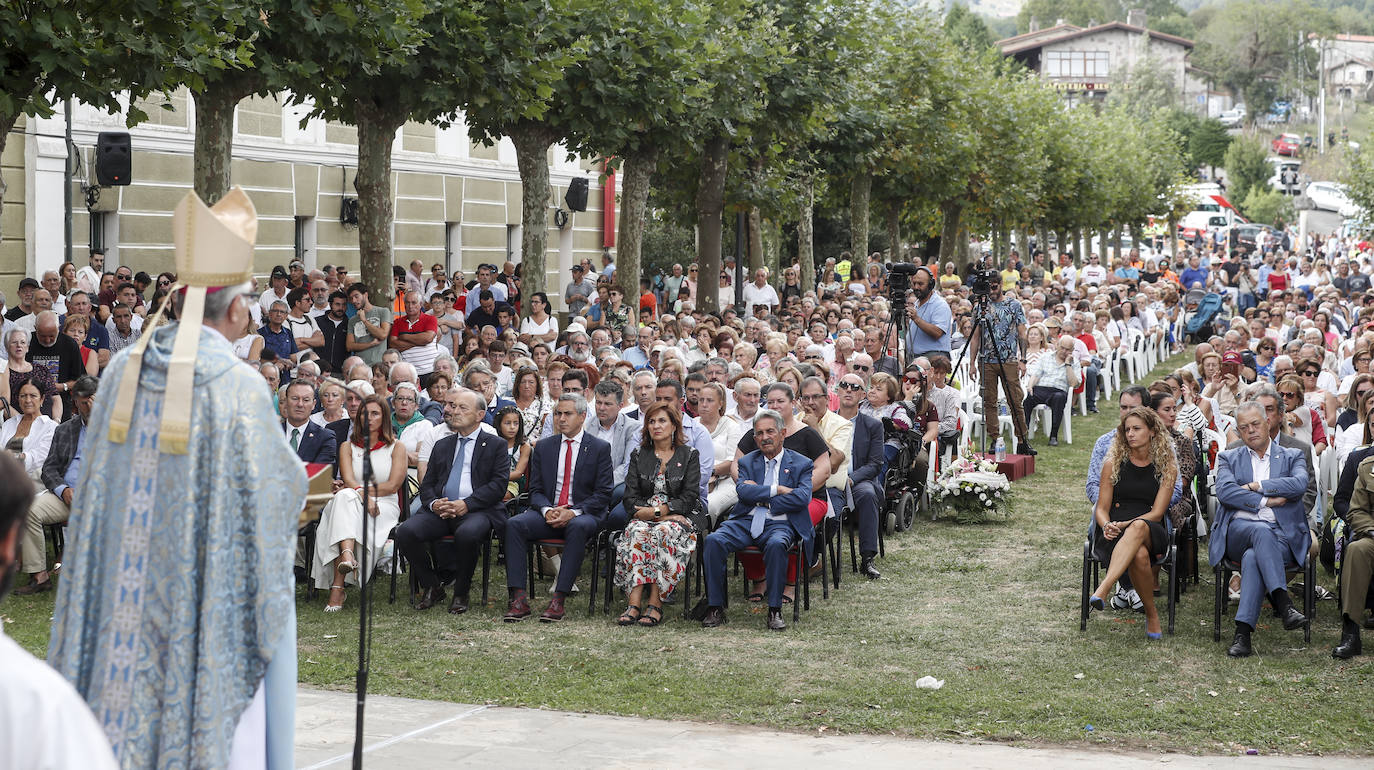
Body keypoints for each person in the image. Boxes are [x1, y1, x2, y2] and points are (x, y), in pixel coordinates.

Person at [49, 189, 304, 768]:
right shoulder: (238, 389)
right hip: (198, 602)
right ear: (236, 311)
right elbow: (276, 495)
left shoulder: (117, 378)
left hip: (120, 598)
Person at [0, 448, 119, 766]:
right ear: (11, 544)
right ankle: (41, 575)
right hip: (63, 494)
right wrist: (64, 489)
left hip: (105, 496)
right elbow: (51, 468)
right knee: (36, 510)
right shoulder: (41, 703)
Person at [395, 388, 510, 613]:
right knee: (405, 532)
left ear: (479, 415)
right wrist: (434, 504)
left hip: (477, 510)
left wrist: (466, 504)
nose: (454, 412)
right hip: (441, 509)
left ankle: (461, 592)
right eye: (453, 406)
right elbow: (427, 484)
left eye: (462, 408)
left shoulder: (495, 444)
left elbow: (498, 486)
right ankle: (432, 585)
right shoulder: (443, 444)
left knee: (467, 534)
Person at [502, 393, 614, 622]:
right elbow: (535, 490)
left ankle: (559, 599)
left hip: (583, 513)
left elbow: (603, 494)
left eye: (567, 414)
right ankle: (518, 598)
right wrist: (546, 510)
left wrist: (572, 512)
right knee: (514, 524)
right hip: (548, 512)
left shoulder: (599, 448)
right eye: (557, 414)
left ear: (582, 416)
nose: (561, 419)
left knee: (577, 527)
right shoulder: (544, 447)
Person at [1212, 401, 1311, 658]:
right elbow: (1224, 491)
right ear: (1239, 431)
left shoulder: (1292, 455)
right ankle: (1283, 601)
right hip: (1238, 531)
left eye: (1256, 424)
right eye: (1244, 427)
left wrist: (1256, 486)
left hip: (1281, 535)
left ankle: (1242, 634)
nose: (1251, 431)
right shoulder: (1228, 456)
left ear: (1268, 423)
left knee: (1254, 556)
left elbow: (1299, 484)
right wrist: (1265, 501)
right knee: (1259, 532)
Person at [701, 409, 815, 631]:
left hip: (781, 523)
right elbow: (743, 492)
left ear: (782, 433)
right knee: (714, 540)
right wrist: (778, 489)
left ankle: (774, 610)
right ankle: (715, 607)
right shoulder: (747, 462)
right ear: (754, 438)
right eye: (759, 433)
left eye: (770, 431)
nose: (765, 437)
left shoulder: (801, 463)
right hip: (745, 521)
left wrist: (765, 499)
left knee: (776, 544)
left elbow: (802, 498)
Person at [1086, 407, 1176, 639]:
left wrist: (1125, 524)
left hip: (1151, 527)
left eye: (1137, 429)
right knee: (1139, 556)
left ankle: (1105, 587)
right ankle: (1152, 615)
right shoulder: (1113, 463)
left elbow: (1157, 513)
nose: (1130, 434)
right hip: (1113, 530)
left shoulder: (1166, 466)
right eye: (1127, 430)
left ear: (1153, 431)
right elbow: (1102, 508)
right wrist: (1106, 525)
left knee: (1138, 527)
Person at [312, 394, 406, 610]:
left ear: (384, 417)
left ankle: (339, 584)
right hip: (353, 500)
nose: (369, 418)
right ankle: (347, 557)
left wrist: (361, 492)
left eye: (375, 413)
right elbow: (349, 480)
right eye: (365, 413)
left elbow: (392, 485)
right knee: (345, 497)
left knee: (344, 497)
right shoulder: (347, 446)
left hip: (383, 504)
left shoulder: (396, 447)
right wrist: (361, 494)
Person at [613, 403, 702, 627]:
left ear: (673, 425)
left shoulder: (689, 454)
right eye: (651, 421)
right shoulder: (638, 454)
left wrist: (662, 512)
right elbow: (630, 497)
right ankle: (633, 604)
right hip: (643, 514)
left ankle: (655, 604)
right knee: (637, 532)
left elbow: (690, 496)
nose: (656, 426)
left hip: (678, 514)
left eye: (662, 421)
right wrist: (650, 513)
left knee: (662, 532)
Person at [969, 276, 1033, 455]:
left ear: (1001, 285)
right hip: (986, 360)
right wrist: (972, 363)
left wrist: (1023, 359)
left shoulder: (1014, 305)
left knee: (1015, 400)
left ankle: (1022, 439)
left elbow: (1022, 332)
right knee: (989, 401)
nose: (992, 290)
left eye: (995, 286)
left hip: (1009, 359)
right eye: (988, 287)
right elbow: (975, 337)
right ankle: (994, 438)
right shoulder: (980, 308)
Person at [836, 372, 885, 579]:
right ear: (837, 391)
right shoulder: (825, 421)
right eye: (844, 385)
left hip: (857, 480)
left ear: (863, 395)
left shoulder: (873, 425)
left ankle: (867, 558)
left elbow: (875, 464)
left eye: (855, 387)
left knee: (866, 494)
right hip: (828, 480)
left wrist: (851, 478)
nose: (849, 390)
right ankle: (814, 558)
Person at [1022, 336, 1081, 447]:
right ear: (1057, 345)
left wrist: (1068, 364)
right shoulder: (1045, 357)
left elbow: (1074, 384)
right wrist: (1030, 386)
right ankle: (1023, 434)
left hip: (1059, 391)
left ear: (1072, 351)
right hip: (1042, 388)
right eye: (1062, 348)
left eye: (1068, 349)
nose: (1064, 351)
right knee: (1028, 398)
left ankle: (1053, 435)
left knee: (1059, 398)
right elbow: (1036, 375)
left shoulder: (1075, 363)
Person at [698, 382, 743, 525]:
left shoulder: (732, 427)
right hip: (694, 481)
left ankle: (704, 542)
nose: (704, 404)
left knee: (708, 505)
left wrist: (709, 471)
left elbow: (733, 462)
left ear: (720, 403)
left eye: (710, 400)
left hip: (726, 481)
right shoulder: (691, 425)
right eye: (701, 400)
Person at [1, 380, 58, 479]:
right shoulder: (9, 423)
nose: (27, 400)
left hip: (31, 482)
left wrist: (8, 458)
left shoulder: (50, 427)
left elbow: (38, 459)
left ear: (42, 399)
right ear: (18, 399)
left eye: (33, 396)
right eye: (23, 396)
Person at [281, 378, 337, 465]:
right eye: (295, 398)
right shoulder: (269, 433)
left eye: (306, 400)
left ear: (314, 404)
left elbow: (319, 474)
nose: (300, 404)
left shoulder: (325, 438)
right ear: (286, 402)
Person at [907, 267, 951, 361]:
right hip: (915, 358)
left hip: (933, 358)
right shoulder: (916, 303)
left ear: (931, 285)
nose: (916, 287)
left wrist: (916, 319)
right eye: (914, 283)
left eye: (920, 284)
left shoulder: (940, 305)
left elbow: (937, 332)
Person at [346, 283, 392, 366]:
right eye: (351, 298)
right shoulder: (352, 320)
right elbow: (349, 346)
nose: (354, 301)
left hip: (380, 365)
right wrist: (370, 344)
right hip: (360, 366)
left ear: (365, 295)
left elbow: (383, 334)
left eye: (356, 296)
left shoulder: (383, 312)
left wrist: (364, 321)